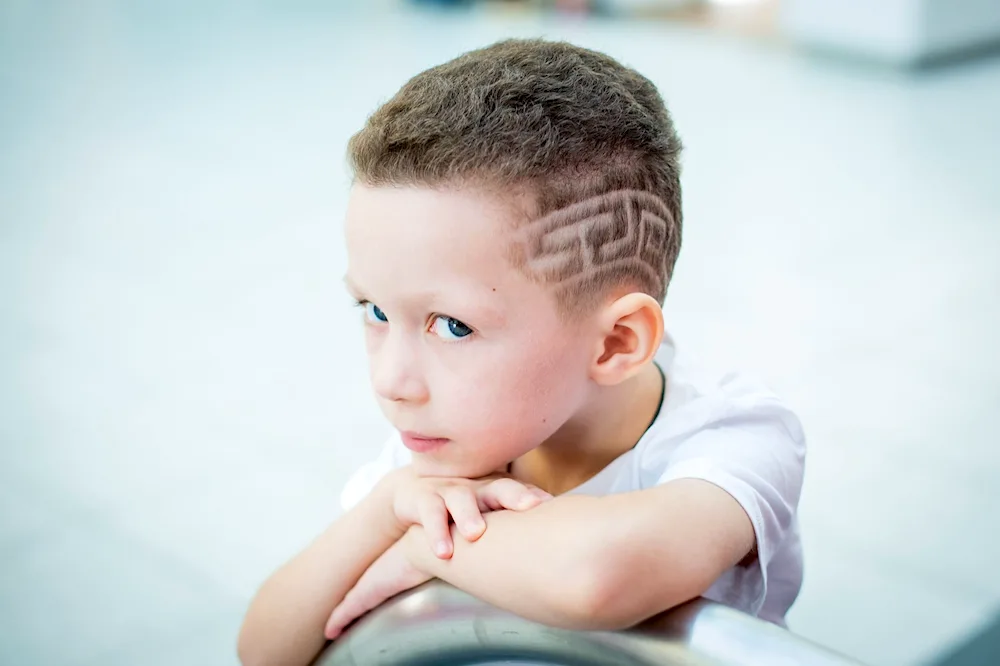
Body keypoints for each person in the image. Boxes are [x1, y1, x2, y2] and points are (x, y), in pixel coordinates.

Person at [237, 38, 806, 666]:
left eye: (453, 326)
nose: (392, 381)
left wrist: (422, 542)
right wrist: (385, 510)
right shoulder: (439, 451)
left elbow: (596, 578)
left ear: (616, 343)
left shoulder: (736, 435)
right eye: (374, 311)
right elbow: (265, 652)